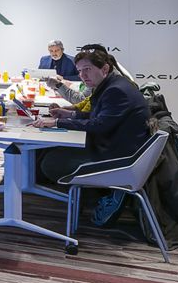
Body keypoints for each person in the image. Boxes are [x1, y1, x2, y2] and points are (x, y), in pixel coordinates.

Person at [36, 48, 151, 185]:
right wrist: (70, 114)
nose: (82, 75)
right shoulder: (112, 83)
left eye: (87, 69)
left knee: (50, 162)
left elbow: (99, 125)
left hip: (116, 157)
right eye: (79, 71)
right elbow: (99, 115)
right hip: (112, 146)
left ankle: (86, 194)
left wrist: (57, 122)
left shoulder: (116, 90)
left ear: (105, 69)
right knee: (49, 150)